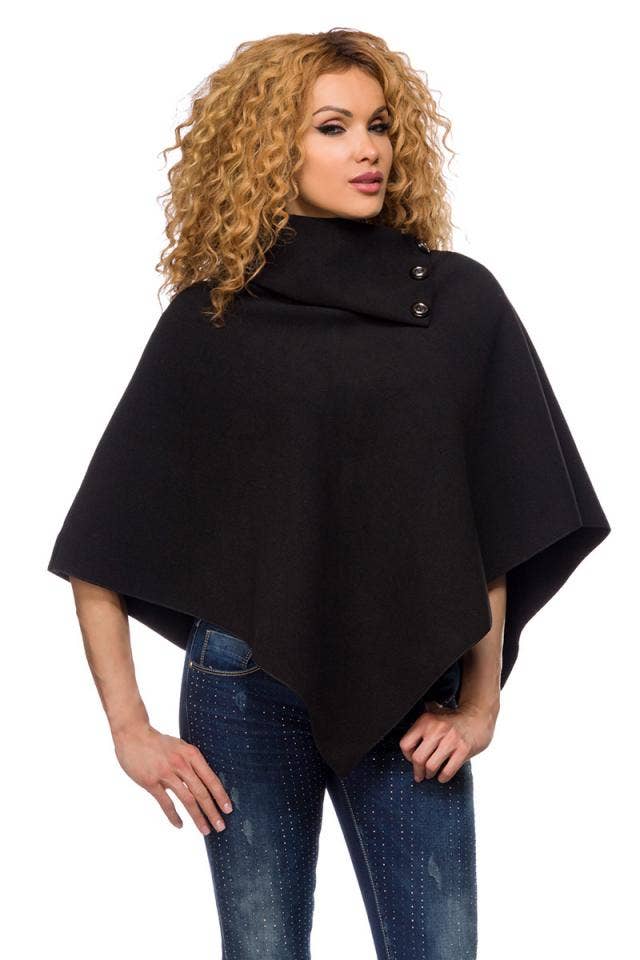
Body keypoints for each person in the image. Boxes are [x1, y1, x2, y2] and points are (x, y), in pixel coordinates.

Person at [47, 28, 610, 960]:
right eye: (334, 127)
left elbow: (495, 521)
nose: (368, 150)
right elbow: (101, 538)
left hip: (410, 685)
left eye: (379, 126)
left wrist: (480, 705)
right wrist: (128, 728)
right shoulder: (213, 317)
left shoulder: (459, 303)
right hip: (241, 689)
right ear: (273, 147)